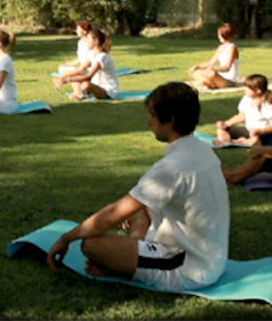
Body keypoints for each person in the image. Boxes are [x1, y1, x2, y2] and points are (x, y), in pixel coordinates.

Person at [47, 82, 230, 292]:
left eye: (153, 115)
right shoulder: (201, 150)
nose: (149, 121)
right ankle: (128, 258)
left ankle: (121, 266)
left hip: (187, 268)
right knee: (140, 209)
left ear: (170, 120)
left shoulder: (173, 167)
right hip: (208, 256)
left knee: (91, 244)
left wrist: (66, 238)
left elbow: (111, 215)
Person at [54, 28, 119, 100]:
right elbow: (80, 69)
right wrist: (63, 77)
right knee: (76, 79)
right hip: (95, 86)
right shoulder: (92, 54)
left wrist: (67, 80)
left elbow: (89, 76)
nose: (86, 42)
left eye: (88, 39)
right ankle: (78, 94)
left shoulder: (102, 57)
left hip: (108, 91)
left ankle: (78, 93)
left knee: (86, 84)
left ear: (96, 41)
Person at [214, 74, 272, 146]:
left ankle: (236, 142)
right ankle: (227, 141)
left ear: (258, 91)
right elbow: (241, 116)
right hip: (248, 131)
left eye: (248, 88)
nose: (245, 89)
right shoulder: (246, 99)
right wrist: (226, 124)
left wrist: (260, 131)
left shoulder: (266, 105)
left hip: (262, 134)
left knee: (256, 140)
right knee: (221, 130)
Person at [188, 23, 240, 89]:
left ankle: (203, 83)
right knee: (193, 71)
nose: (218, 36)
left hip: (228, 80)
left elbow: (227, 67)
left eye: (219, 34)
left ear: (224, 35)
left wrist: (213, 68)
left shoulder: (232, 48)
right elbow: (211, 63)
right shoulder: (221, 47)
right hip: (218, 77)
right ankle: (207, 84)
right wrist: (198, 66)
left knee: (212, 73)